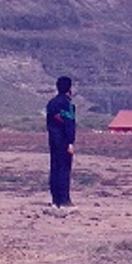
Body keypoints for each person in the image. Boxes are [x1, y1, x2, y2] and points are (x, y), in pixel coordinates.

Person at [46, 75, 77, 208]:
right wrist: (70, 142)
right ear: (69, 88)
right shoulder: (67, 104)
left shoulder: (51, 103)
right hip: (63, 141)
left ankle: (55, 199)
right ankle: (64, 200)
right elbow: (68, 123)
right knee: (64, 169)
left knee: (55, 168)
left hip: (53, 140)